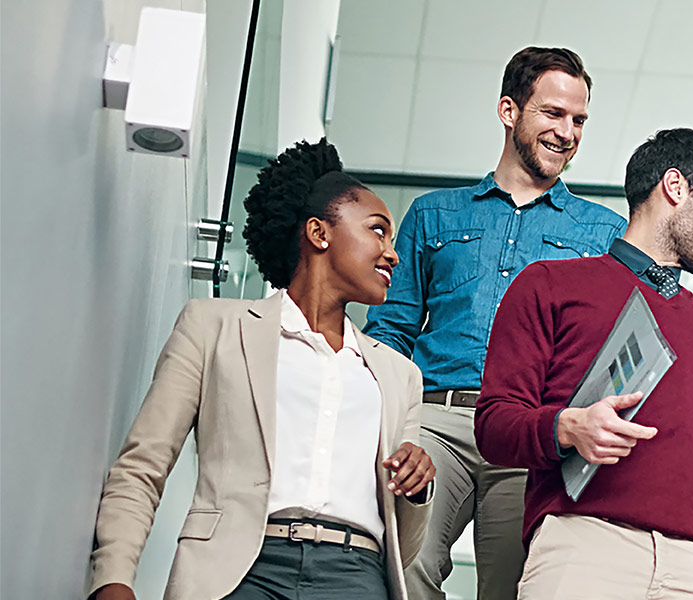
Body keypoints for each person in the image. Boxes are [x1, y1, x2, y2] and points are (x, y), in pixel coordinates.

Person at [86, 139, 434, 600]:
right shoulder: (212, 328)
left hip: (356, 575)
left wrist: (416, 490)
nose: (392, 254)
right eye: (378, 231)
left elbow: (403, 547)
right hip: (238, 570)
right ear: (319, 233)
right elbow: (142, 465)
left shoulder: (398, 374)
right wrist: (112, 580)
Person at [362, 46, 626, 600]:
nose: (568, 131)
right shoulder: (435, 214)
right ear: (509, 111)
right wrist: (388, 422)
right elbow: (391, 330)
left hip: (532, 432)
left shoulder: (603, 232)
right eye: (552, 113)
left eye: (579, 120)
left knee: (516, 589)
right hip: (437, 420)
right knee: (401, 567)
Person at [474, 128, 693, 599]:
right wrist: (568, 428)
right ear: (675, 187)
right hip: (585, 547)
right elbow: (493, 425)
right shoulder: (548, 286)